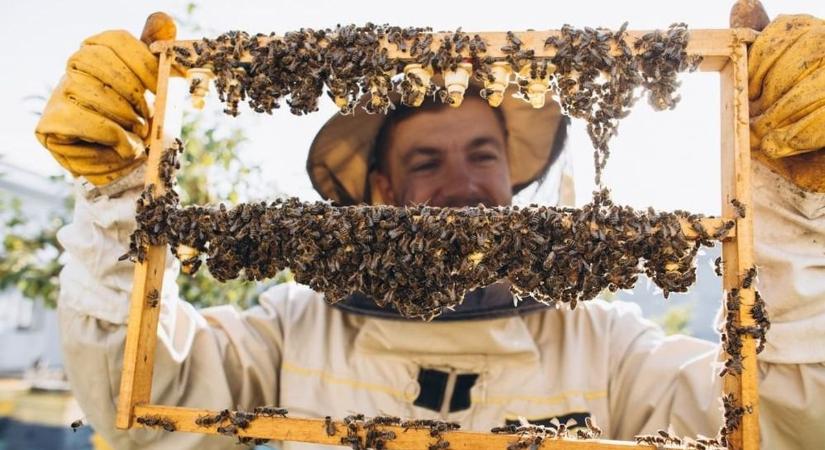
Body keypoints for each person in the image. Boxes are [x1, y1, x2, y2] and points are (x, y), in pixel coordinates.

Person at [33, 10, 825, 450]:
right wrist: (119, 197)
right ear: (379, 189)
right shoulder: (290, 331)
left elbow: (790, 419)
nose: (461, 188)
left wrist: (786, 201)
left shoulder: (605, 347)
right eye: (424, 162)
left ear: (511, 177)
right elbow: (132, 400)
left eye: (483, 154)